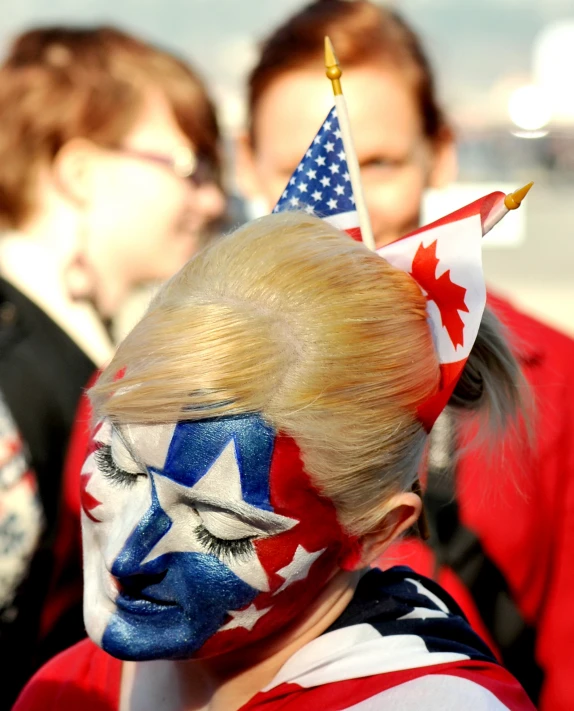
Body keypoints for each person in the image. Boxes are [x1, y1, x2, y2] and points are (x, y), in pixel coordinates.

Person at [15, 210, 534, 710]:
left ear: (374, 533)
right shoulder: (69, 688)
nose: (127, 558)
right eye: (118, 467)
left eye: (219, 526)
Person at [235, 2, 574, 710]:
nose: (351, 211)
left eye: (380, 164)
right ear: (246, 162)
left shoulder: (556, 377)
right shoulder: (169, 375)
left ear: (440, 150)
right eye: (313, 170)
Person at [0, 25, 225, 707]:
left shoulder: (61, 351)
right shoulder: (15, 371)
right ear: (79, 173)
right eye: (191, 167)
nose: (212, 201)